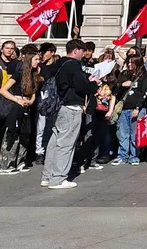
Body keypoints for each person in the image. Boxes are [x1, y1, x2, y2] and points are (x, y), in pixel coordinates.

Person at [41, 39, 97, 189]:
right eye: (82, 51)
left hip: (57, 107)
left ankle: (47, 176)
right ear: (76, 50)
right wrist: (93, 83)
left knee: (54, 141)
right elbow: (82, 86)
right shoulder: (73, 65)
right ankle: (58, 179)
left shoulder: (59, 63)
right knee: (66, 144)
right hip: (71, 107)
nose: (84, 54)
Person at [0, 47, 41, 174]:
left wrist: (31, 100)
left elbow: (33, 91)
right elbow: (3, 90)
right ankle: (6, 165)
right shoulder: (19, 73)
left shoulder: (33, 75)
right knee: (12, 134)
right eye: (36, 59)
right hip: (16, 107)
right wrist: (17, 100)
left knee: (25, 134)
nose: (38, 61)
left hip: (27, 107)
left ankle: (20, 161)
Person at [111, 55, 147, 167]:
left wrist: (138, 108)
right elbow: (115, 90)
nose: (129, 65)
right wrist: (121, 85)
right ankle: (122, 155)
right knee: (123, 134)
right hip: (124, 108)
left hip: (137, 109)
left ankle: (134, 156)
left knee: (135, 134)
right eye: (128, 62)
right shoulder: (124, 74)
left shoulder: (145, 76)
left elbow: (144, 93)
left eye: (132, 63)